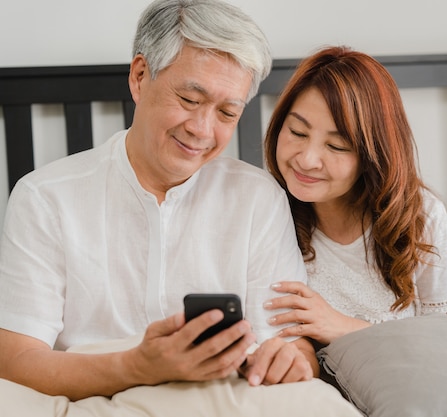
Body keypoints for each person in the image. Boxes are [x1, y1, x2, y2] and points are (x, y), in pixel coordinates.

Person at [0, 0, 317, 401]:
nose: (202, 130)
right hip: (87, 401)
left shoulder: (258, 200)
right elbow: (14, 360)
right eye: (188, 99)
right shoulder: (45, 199)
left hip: (226, 401)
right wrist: (138, 366)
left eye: (227, 112)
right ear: (139, 76)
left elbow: (291, 343)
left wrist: (294, 358)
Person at [263, 46, 447, 346]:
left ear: (372, 156)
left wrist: (345, 327)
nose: (308, 159)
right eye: (298, 132)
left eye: (336, 146)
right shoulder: (264, 211)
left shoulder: (420, 218)